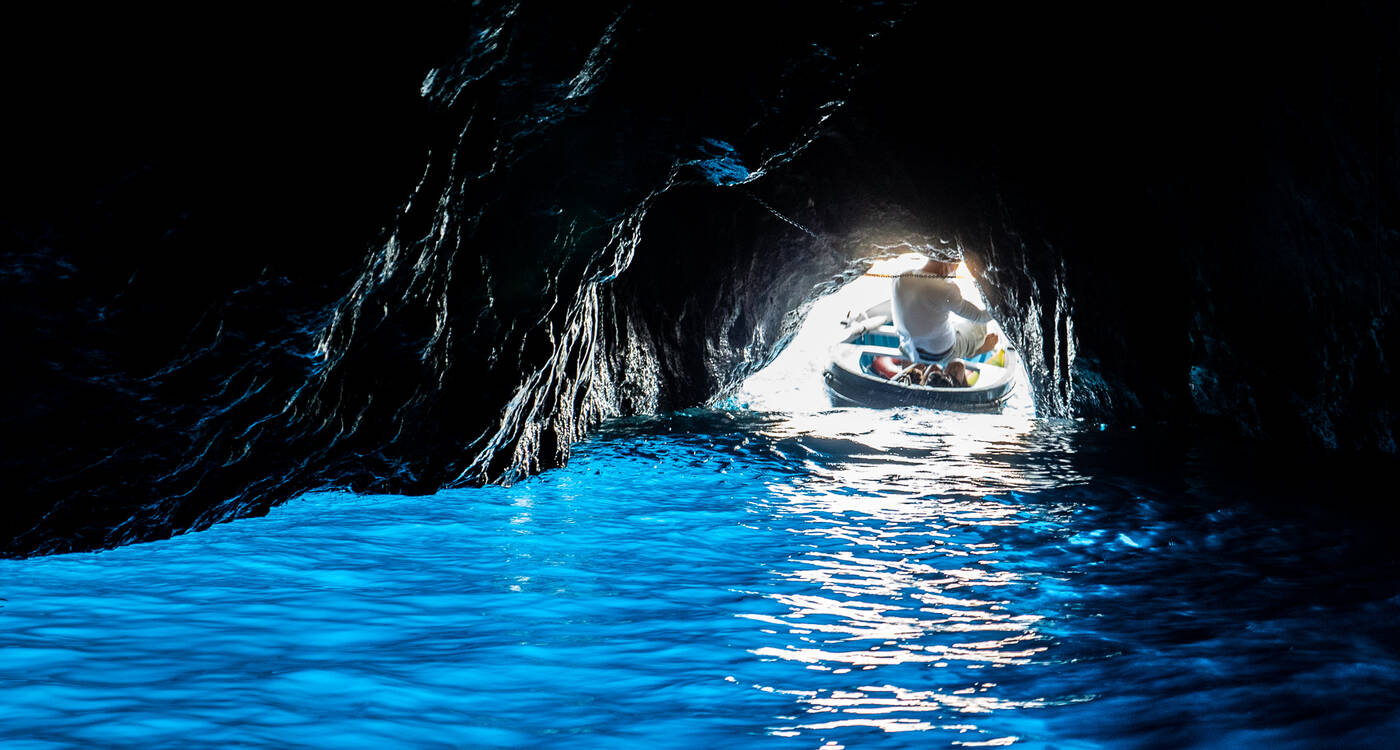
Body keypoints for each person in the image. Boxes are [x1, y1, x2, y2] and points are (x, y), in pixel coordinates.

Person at [891, 252, 999, 365]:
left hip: (907, 347)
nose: (953, 274)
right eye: (955, 268)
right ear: (946, 265)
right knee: (979, 326)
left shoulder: (900, 275)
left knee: (950, 318)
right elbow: (980, 317)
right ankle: (977, 350)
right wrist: (1001, 305)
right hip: (938, 354)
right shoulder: (945, 288)